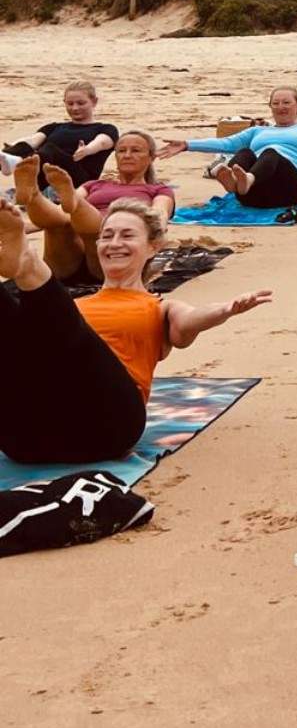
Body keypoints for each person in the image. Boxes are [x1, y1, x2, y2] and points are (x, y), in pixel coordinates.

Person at [0, 198, 271, 464]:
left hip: (104, 427)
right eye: (107, 236)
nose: (115, 243)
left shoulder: (159, 307)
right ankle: (25, 265)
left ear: (153, 247)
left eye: (127, 235)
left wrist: (226, 309)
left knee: (64, 328)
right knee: (22, 328)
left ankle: (27, 262)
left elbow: (189, 321)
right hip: (26, 438)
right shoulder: (69, 307)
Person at [158, 87, 297, 210]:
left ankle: (246, 180)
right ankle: (236, 183)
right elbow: (225, 144)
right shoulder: (257, 131)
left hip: (289, 191)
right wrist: (187, 144)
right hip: (252, 197)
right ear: (270, 107)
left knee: (271, 152)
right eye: (276, 103)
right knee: (244, 152)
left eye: (287, 103)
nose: (281, 107)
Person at [12, 133, 175, 284]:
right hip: (69, 258)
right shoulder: (94, 184)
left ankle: (70, 203)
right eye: (121, 151)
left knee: (93, 224)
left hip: (113, 250)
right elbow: (61, 212)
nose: (127, 155)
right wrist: (24, 227)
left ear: (151, 158)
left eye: (136, 151)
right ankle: (33, 195)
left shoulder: (158, 190)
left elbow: (159, 215)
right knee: (59, 223)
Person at [5, 81, 118, 189]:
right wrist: (12, 149)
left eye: (81, 103)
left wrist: (87, 149)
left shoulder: (106, 129)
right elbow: (33, 140)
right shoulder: (53, 127)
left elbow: (102, 142)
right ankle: (11, 161)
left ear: (94, 102)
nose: (75, 108)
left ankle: (16, 163)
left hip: (78, 181)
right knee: (15, 151)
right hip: (45, 178)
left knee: (49, 149)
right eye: (70, 103)